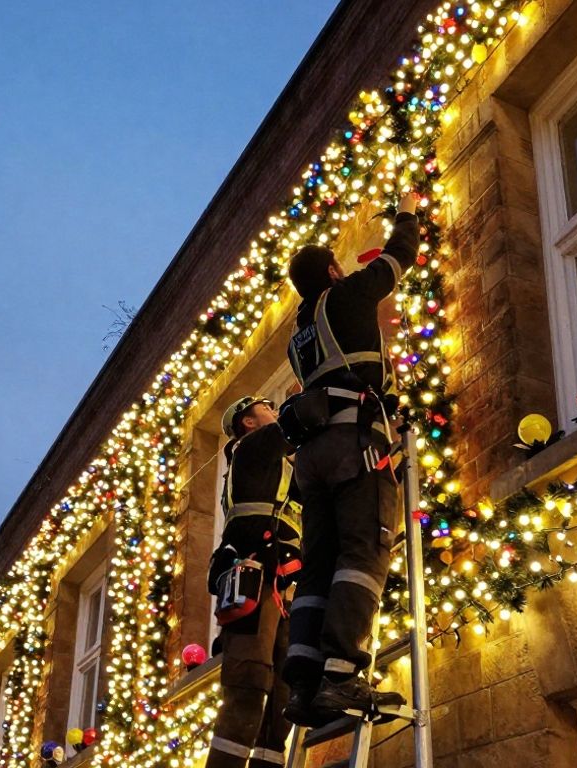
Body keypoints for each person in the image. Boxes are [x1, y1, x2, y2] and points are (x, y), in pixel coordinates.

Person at [281, 194, 420, 724]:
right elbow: (396, 260)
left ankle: (305, 680)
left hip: (312, 459)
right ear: (334, 271)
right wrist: (405, 212)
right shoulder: (347, 296)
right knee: (363, 553)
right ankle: (342, 676)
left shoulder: (299, 336)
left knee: (319, 564)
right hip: (353, 445)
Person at [205, 396, 303, 768]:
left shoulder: (270, 466)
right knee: (247, 687)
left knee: (282, 694)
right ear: (248, 422)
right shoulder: (254, 446)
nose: (274, 408)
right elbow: (298, 422)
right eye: (266, 406)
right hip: (258, 579)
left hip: (281, 584)